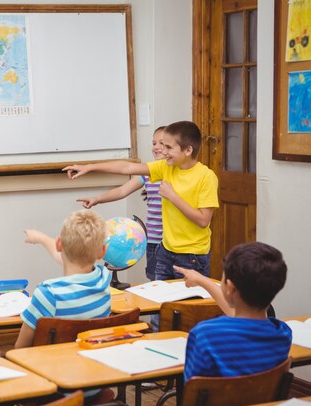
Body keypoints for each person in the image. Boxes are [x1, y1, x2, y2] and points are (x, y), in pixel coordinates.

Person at [64, 121, 218, 281]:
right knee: (161, 303)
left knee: (187, 305)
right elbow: (127, 168)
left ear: (188, 150)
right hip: (165, 251)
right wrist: (89, 167)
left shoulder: (206, 177)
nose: (163, 151)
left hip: (191, 256)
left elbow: (203, 220)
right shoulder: (166, 167)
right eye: (162, 146)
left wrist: (172, 196)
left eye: (168, 147)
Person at [174, 242, 292, 381]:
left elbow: (192, 389)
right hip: (266, 403)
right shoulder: (283, 333)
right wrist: (201, 280)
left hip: (219, 403)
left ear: (229, 287)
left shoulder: (204, 335)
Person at [76, 126, 166, 280]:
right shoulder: (147, 174)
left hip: (172, 244)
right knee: (155, 282)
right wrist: (97, 199)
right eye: (154, 143)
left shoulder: (177, 173)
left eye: (162, 143)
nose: (156, 147)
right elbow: (122, 191)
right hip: (153, 241)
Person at [15, 210, 112, 348]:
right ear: (102, 252)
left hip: (53, 367)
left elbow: (20, 348)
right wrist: (41, 238)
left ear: (59, 244)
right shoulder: (104, 278)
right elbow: (77, 260)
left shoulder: (48, 294)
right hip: (91, 362)